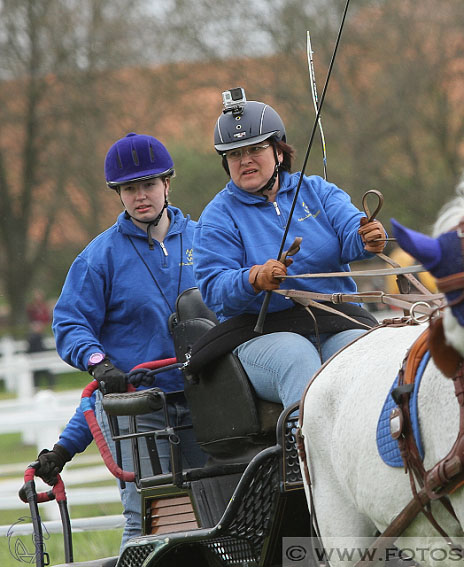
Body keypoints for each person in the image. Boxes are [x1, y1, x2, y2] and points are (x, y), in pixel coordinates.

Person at [32, 133, 206, 547]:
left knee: (216, 510)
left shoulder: (206, 238)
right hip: (140, 409)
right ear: (119, 194)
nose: (140, 196)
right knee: (150, 519)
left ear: (168, 184)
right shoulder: (97, 258)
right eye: (130, 188)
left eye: (148, 184)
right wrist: (98, 362)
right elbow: (70, 323)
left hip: (206, 400)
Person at [193, 88, 386, 409]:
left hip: (334, 322)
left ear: (279, 152)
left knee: (371, 355)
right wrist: (253, 279)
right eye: (235, 154)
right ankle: (305, 453)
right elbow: (214, 289)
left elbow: (352, 233)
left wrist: (367, 238)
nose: (245, 160)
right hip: (261, 336)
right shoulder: (218, 215)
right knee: (298, 359)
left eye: (255, 149)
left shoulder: (318, 192)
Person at [26, 290, 55, 388]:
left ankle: (50, 385)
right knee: (35, 370)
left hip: (40, 339)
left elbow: (46, 318)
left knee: (45, 366)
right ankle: (36, 386)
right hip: (35, 344)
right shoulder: (32, 308)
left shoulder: (43, 307)